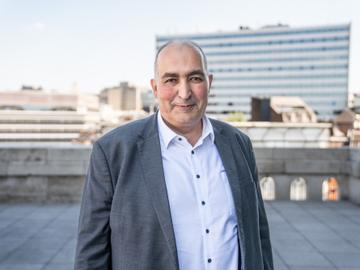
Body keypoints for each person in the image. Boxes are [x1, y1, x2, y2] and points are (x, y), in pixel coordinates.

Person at [75, 40, 273, 270]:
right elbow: (92, 252)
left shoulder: (238, 144)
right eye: (171, 80)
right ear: (155, 87)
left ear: (209, 83)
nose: (184, 92)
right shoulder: (113, 151)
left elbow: (259, 235)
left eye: (195, 78)